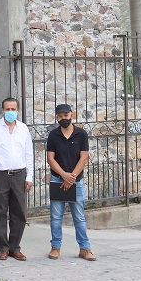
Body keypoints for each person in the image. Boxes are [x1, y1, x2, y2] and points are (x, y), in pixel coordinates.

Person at [0, 97, 33, 261]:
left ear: (18, 110)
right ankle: (3, 247)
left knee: (20, 212)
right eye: (7, 109)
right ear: (2, 111)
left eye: (13, 109)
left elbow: (29, 154)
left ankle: (15, 247)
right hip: (0, 174)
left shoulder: (23, 129)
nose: (10, 112)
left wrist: (29, 177)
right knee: (1, 212)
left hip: (19, 174)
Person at [47, 103, 96, 261]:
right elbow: (50, 158)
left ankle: (85, 248)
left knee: (79, 216)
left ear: (71, 115)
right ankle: (55, 247)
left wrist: (72, 176)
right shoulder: (53, 135)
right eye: (60, 116)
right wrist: (63, 175)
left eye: (65, 115)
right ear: (57, 117)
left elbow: (84, 157)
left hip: (76, 181)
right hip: (57, 180)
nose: (63, 118)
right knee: (55, 217)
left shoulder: (81, 134)